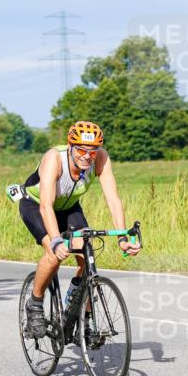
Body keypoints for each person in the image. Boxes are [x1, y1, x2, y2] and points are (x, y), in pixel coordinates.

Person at [15, 121, 141, 337]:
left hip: (68, 207)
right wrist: (55, 240)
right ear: (70, 146)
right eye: (81, 150)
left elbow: (113, 199)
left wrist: (122, 237)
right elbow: (46, 206)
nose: (86, 156)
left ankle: (82, 313)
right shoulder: (54, 158)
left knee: (87, 253)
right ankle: (35, 303)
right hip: (36, 205)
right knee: (54, 255)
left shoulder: (100, 157)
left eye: (92, 151)